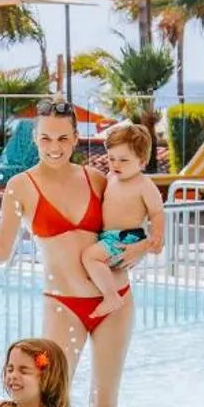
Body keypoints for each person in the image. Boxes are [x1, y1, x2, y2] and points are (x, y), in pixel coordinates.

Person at [0, 100, 149, 407]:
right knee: (50, 405)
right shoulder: (20, 187)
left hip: (114, 301)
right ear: (35, 137)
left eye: (62, 138)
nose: (54, 147)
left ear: (76, 138)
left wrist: (140, 250)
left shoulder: (98, 180)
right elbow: (0, 252)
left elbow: (129, 230)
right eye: (46, 138)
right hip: (63, 305)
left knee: (104, 404)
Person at [82, 123, 165, 319]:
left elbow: (157, 212)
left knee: (89, 257)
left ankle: (111, 297)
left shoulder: (144, 185)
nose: (116, 164)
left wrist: (157, 236)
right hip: (110, 236)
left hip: (126, 237)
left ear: (142, 162)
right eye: (111, 159)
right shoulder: (111, 177)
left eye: (123, 160)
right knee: (94, 261)